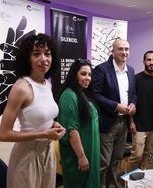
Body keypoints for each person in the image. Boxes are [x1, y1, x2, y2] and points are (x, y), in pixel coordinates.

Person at [0, 33, 66, 188]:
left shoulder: (47, 84)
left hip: (48, 152)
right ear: (27, 58)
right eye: (36, 54)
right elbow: (4, 134)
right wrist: (43, 134)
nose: (44, 59)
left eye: (47, 54)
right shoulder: (22, 87)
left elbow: (40, 116)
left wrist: (53, 125)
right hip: (27, 155)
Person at [92, 38, 137, 188]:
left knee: (116, 159)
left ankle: (112, 185)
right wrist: (116, 106)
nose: (124, 52)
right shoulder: (101, 69)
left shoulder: (130, 70)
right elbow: (95, 95)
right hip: (107, 122)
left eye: (126, 49)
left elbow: (133, 93)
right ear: (113, 51)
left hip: (123, 122)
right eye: (120, 49)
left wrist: (132, 104)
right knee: (103, 161)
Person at [57, 58, 100, 188]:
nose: (87, 78)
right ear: (74, 74)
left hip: (90, 149)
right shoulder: (69, 96)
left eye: (89, 74)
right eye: (83, 74)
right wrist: (81, 156)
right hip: (78, 154)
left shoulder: (81, 93)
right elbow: (72, 130)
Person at [129, 50, 153, 171]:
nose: (151, 62)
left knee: (146, 154)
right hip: (139, 124)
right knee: (136, 155)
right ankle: (129, 180)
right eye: (149, 60)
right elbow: (130, 101)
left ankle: (141, 176)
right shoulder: (136, 79)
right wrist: (131, 121)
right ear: (144, 61)